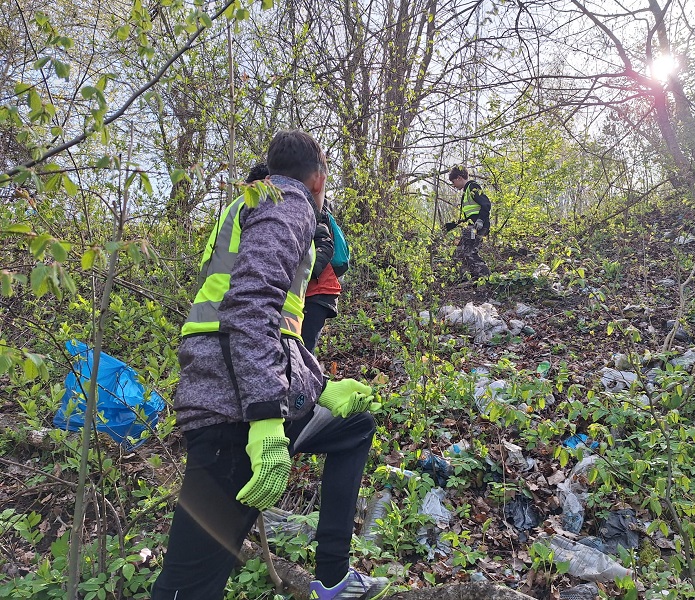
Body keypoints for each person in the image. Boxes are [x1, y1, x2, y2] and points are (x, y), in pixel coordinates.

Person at [151, 130, 388, 600]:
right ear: (318, 178)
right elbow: (249, 307)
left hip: (231, 388)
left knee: (355, 425)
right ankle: (332, 577)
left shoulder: (249, 203)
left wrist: (317, 386)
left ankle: (333, 578)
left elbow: (272, 325)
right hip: (233, 412)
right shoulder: (289, 203)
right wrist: (263, 420)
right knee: (188, 586)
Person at [302, 200, 346, 353]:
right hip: (313, 292)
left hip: (318, 291)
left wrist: (304, 275)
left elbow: (325, 247)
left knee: (303, 352)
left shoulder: (313, 211)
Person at [444, 166, 491, 279]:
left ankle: (487, 278)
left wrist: (480, 220)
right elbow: (468, 216)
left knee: (470, 253)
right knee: (458, 254)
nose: (454, 185)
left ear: (459, 178)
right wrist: (452, 225)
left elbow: (486, 204)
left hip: (477, 227)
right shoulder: (466, 193)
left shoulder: (472, 187)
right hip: (470, 227)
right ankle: (467, 278)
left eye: (453, 182)